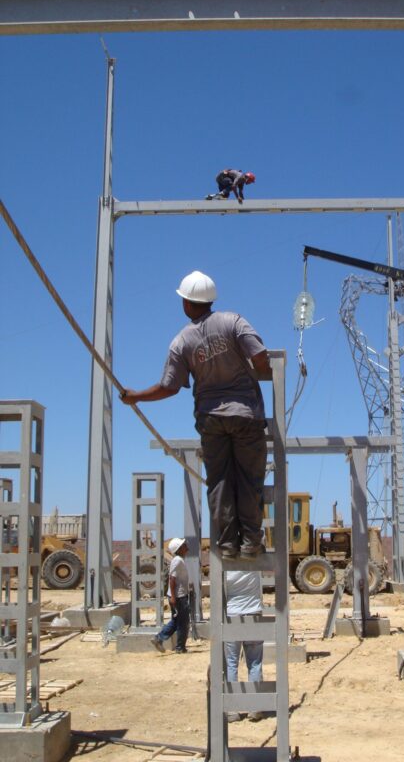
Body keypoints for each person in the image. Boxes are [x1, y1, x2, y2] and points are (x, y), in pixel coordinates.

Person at [120, 270, 271, 560]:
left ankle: (227, 545)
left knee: (220, 482)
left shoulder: (182, 341)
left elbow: (168, 387)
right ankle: (251, 542)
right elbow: (261, 358)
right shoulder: (234, 321)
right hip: (246, 414)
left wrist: (135, 396)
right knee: (249, 479)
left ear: (186, 303)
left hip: (210, 419)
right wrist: (254, 373)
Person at [225, 570, 265, 723]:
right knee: (254, 663)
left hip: (232, 615)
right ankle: (254, 708)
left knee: (231, 664)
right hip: (253, 613)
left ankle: (232, 710)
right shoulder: (252, 564)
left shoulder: (226, 569)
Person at [152, 537, 190, 653]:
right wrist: (173, 597)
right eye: (184, 545)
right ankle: (180, 647)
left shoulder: (179, 560)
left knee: (177, 620)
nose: (186, 547)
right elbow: (172, 579)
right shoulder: (177, 560)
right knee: (183, 623)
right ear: (179, 549)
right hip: (178, 597)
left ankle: (159, 639)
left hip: (179, 595)